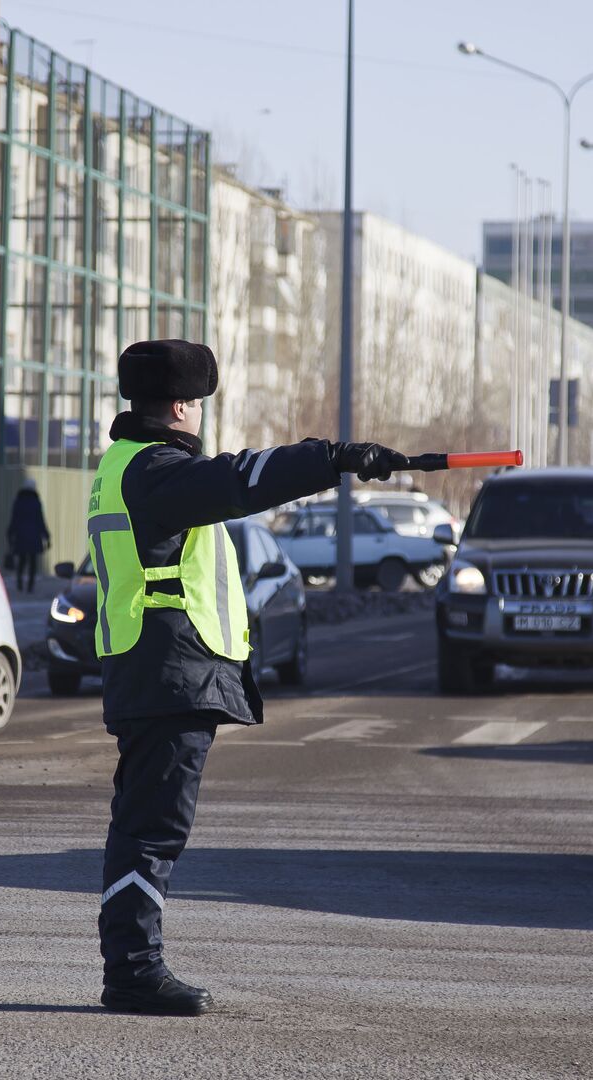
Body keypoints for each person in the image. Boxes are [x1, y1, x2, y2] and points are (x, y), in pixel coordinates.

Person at [89, 337, 407, 1016]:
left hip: (150, 665)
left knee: (142, 824)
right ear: (181, 405)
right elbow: (239, 478)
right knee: (153, 828)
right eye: (198, 403)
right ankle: (134, 969)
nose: (199, 414)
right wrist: (333, 458)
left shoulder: (123, 465)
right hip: (167, 669)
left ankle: (130, 963)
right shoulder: (155, 470)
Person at [6, 478, 50, 593]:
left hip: (21, 536)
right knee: (33, 562)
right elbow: (40, 520)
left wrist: (10, 534)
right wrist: (46, 536)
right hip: (34, 537)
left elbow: (14, 519)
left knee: (22, 560)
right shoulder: (36, 502)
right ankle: (30, 585)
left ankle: (20, 582)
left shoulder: (18, 501)